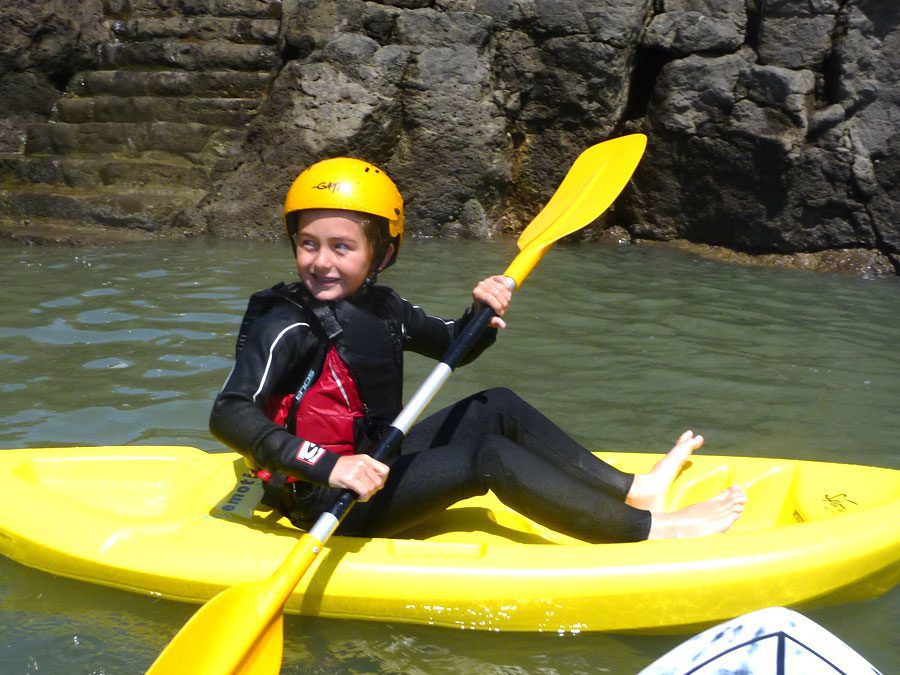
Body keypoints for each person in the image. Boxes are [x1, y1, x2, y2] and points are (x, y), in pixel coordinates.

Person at [210, 157, 746, 543]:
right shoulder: (285, 323)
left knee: (497, 405)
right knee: (484, 457)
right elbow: (229, 412)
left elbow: (452, 346)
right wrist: (329, 468)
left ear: (383, 253)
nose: (322, 262)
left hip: (377, 463)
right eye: (309, 243)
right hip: (327, 497)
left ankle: (634, 489)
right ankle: (650, 528)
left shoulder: (383, 307)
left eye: (342, 247)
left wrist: (480, 312)